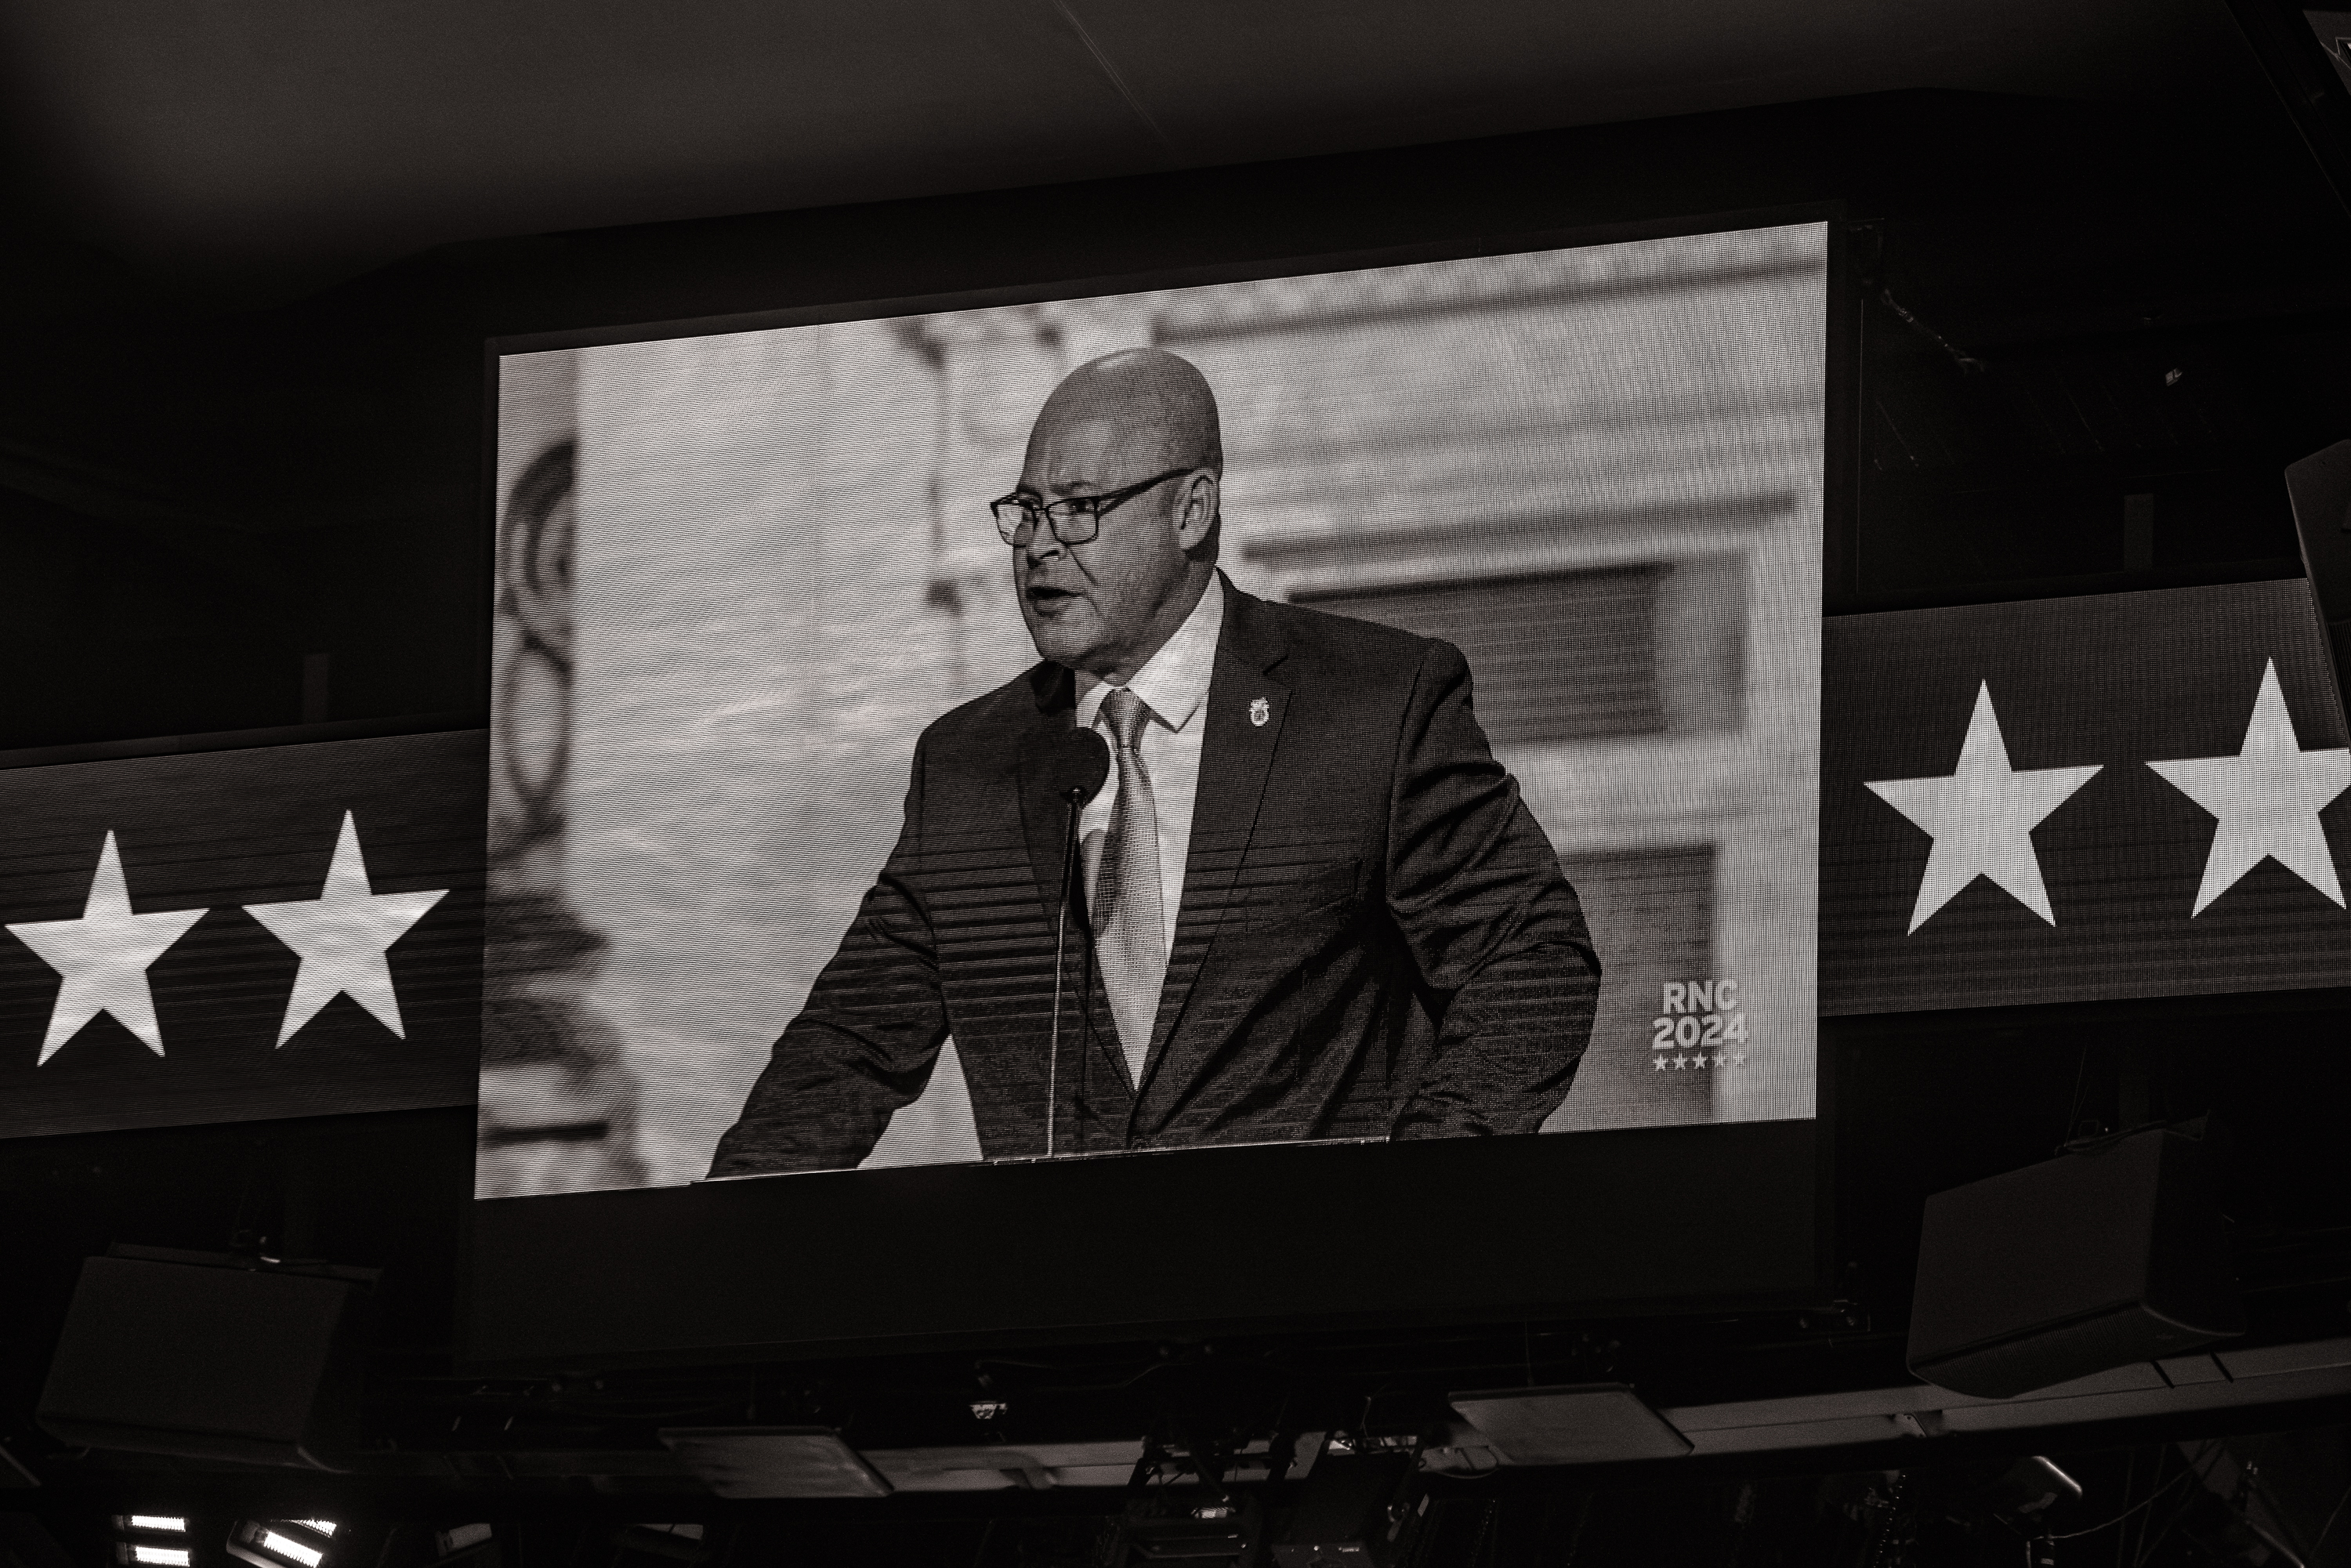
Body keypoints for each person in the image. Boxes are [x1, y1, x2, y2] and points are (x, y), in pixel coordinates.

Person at [708, 347, 1599, 1175]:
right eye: (1025, 511)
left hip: (1321, 1304)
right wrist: (706, 1260)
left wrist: (1408, 1201)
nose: (1037, 546)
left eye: (1080, 509)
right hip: (1071, 1323)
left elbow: (1532, 959)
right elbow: (848, 1048)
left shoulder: (1370, 703)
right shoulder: (969, 766)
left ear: (1192, 509)